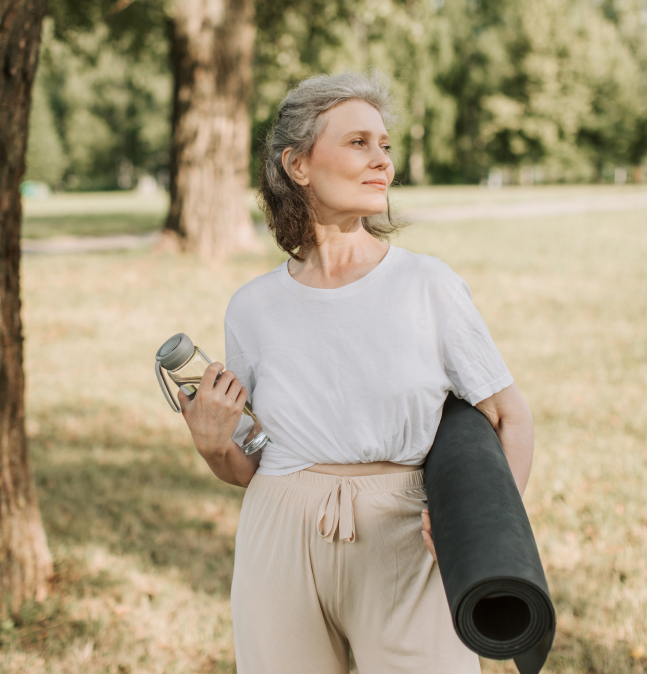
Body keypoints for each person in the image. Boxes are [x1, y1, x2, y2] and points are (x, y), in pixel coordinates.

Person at [179, 71, 534, 674]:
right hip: (278, 531)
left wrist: (484, 535)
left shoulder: (428, 285)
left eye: (385, 145)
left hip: (407, 535)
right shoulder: (253, 307)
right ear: (297, 165)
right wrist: (214, 447)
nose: (382, 161)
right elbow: (250, 462)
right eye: (358, 143)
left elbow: (509, 416)